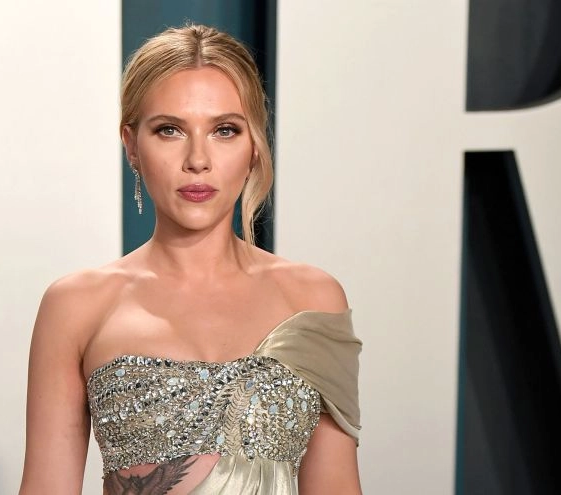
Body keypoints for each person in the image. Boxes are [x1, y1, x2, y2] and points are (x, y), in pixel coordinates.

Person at [19, 24, 362, 495]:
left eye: (224, 130)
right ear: (132, 145)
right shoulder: (75, 305)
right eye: (170, 130)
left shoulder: (313, 299)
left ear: (254, 146)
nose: (197, 159)